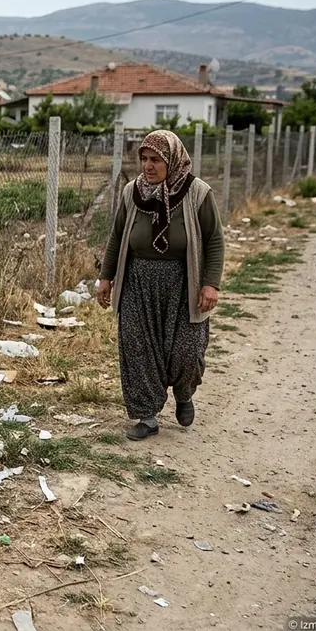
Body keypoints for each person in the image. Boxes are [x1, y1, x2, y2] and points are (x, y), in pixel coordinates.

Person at [96, 129, 224, 440]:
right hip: (138, 282)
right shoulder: (132, 193)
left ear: (173, 160)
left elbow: (214, 242)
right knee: (138, 347)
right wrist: (106, 277)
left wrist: (210, 284)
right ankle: (148, 416)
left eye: (156, 160)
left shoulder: (197, 193)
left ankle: (183, 393)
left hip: (183, 283)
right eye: (144, 159)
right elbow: (116, 237)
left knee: (186, 350)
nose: (148, 166)